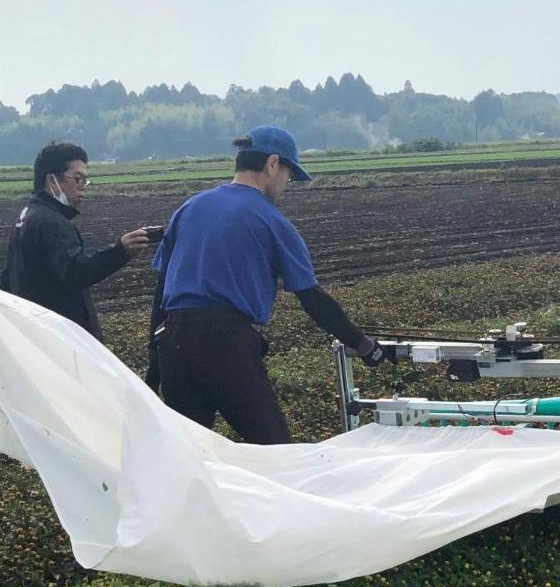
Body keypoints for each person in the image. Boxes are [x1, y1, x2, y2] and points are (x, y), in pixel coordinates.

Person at [150, 125, 389, 444]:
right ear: (273, 164)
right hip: (225, 345)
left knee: (187, 456)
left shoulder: (190, 208)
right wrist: (363, 345)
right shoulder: (271, 221)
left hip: (174, 345)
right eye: (288, 173)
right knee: (275, 448)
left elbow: (161, 291)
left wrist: (154, 369)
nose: (287, 184)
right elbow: (312, 298)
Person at [2, 142, 152, 340]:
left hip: (37, 332)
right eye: (77, 179)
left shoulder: (27, 216)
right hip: (60, 335)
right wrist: (120, 251)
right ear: (52, 180)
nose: (82, 187)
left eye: (85, 181)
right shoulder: (51, 222)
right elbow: (76, 272)